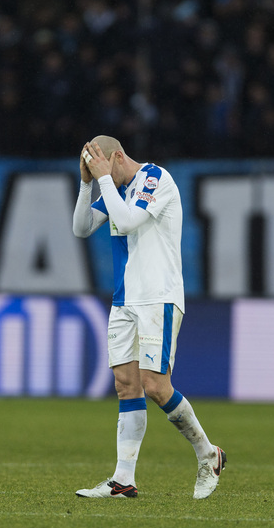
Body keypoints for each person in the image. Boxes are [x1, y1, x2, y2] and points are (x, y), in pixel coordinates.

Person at [71, 135, 225, 499]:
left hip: (158, 297)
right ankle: (123, 480)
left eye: (100, 164)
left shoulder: (155, 179)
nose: (97, 172)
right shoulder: (114, 189)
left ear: (117, 157)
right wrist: (86, 182)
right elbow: (80, 227)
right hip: (125, 300)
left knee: (156, 385)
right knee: (127, 385)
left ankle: (208, 453)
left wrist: (104, 179)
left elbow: (125, 222)